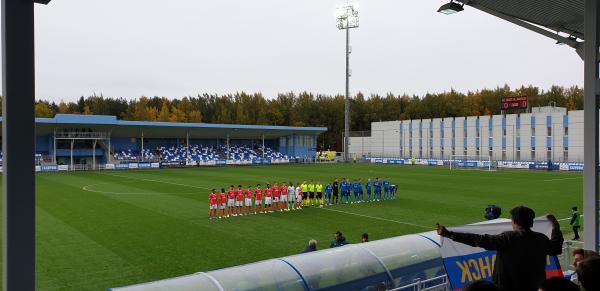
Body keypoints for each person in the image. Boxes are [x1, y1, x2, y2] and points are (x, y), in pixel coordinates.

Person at [437, 206, 564, 291]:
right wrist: (555, 227)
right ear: (531, 223)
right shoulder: (541, 239)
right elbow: (556, 248)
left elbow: (479, 240)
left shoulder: (508, 238)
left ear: (514, 221)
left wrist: (449, 234)